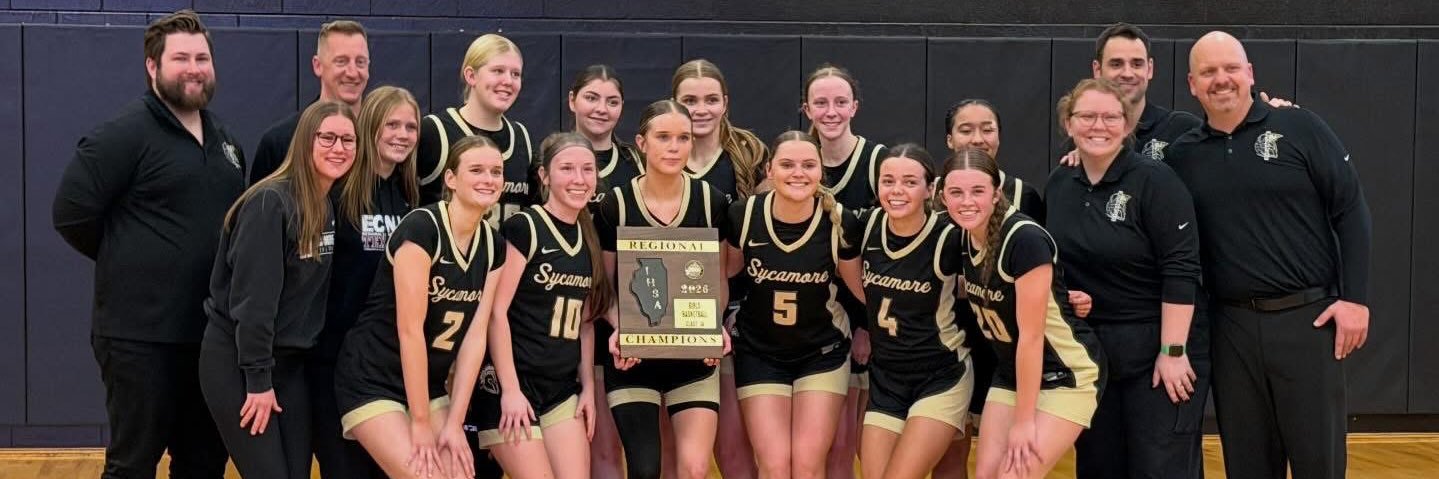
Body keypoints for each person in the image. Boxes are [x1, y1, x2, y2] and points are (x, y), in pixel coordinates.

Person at [1167, 31, 1371, 479]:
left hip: (1308, 321)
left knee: (1319, 462)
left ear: (1250, 73)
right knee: (1247, 464)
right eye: (1208, 72)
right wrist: (1079, 155)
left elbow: (1351, 209)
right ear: (1192, 84)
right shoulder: (1182, 156)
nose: (1221, 79)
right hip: (1231, 328)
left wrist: (1355, 299)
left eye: (1230, 68)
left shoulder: (1300, 128)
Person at [51, 10, 239, 479]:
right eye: (181, 58)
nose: (194, 68)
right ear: (152, 66)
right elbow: (70, 214)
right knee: (133, 465)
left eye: (202, 58)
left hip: (208, 336)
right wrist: (132, 257)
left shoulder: (226, 142)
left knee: (204, 463)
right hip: (139, 339)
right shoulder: (124, 134)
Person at [1044, 79, 1204, 478]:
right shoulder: (1060, 183)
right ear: (1069, 123)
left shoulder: (1156, 181)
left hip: (1155, 349)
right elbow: (1053, 262)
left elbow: (1181, 267)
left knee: (1159, 469)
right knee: (1099, 466)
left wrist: (1172, 351)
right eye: (1087, 116)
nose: (1099, 126)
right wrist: (1067, 297)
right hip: (1092, 352)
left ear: (1127, 124)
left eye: (1110, 117)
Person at [198, 101, 357, 478]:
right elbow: (254, 304)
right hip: (240, 361)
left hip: (289, 364)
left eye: (348, 140)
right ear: (304, 142)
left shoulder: (324, 204)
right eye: (327, 138)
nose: (339, 148)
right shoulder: (270, 202)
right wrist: (257, 380)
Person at [334, 134, 507, 479]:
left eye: (496, 172)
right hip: (373, 377)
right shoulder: (422, 228)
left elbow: (475, 336)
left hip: (429, 385)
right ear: (451, 179)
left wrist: (455, 422)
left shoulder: (493, 245)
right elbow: (410, 330)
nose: (488, 179)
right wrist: (421, 422)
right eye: (476, 170)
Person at [938, 147, 1104, 479]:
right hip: (1012, 371)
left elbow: (1032, 337)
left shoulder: (1024, 240)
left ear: (996, 193)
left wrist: (1024, 422)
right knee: (987, 475)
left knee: (1014, 475)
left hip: (1064, 374)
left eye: (977, 191)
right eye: (956, 192)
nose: (967, 201)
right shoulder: (963, 236)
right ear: (943, 197)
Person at [596, 99, 732, 479]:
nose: (674, 147)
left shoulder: (711, 201)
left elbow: (718, 278)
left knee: (695, 468)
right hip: (633, 358)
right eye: (663, 137)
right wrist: (622, 328)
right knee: (644, 469)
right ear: (642, 143)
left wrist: (713, 325)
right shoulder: (615, 204)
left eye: (683, 138)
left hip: (692, 357)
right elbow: (605, 286)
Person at [466, 132, 614, 479]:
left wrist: (587, 388)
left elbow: (585, 322)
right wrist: (510, 390)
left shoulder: (588, 235)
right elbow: (495, 313)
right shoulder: (525, 227)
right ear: (544, 176)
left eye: (587, 169)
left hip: (561, 388)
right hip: (512, 382)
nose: (579, 179)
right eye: (567, 168)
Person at [726, 130, 865, 479]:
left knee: (806, 465)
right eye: (787, 165)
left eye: (808, 165)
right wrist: (714, 320)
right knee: (774, 466)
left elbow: (863, 291)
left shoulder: (840, 222)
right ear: (770, 170)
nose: (798, 173)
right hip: (759, 351)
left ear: (821, 171)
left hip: (822, 352)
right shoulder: (743, 215)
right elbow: (722, 276)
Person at [313, 86, 424, 478]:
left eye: (410, 126)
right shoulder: (338, 190)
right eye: (392, 124)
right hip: (332, 360)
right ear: (371, 126)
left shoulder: (410, 197)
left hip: (384, 362)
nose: (402, 134)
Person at [933, 99, 1041, 479]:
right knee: (950, 455)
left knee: (1006, 459)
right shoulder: (933, 198)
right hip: (952, 339)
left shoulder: (1025, 196)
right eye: (966, 130)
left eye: (987, 129)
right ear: (949, 139)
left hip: (1006, 345)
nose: (977, 138)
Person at [672, 58, 767, 479]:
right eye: (689, 100)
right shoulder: (661, 154)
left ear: (725, 102)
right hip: (668, 312)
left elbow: (757, 238)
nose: (701, 109)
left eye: (711, 99)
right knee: (674, 451)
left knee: (732, 449)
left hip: (733, 310)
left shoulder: (749, 156)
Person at [856, 144, 974, 479]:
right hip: (886, 378)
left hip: (940, 374)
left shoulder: (950, 236)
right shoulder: (865, 225)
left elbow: (998, 278)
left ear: (930, 189)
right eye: (888, 181)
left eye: (909, 182)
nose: (897, 190)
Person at [801, 65, 888, 479]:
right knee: (828, 445)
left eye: (840, 102)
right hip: (814, 319)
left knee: (858, 445)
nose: (831, 111)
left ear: (855, 107)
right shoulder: (797, 160)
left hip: (867, 316)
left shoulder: (878, 162)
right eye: (821, 103)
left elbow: (889, 253)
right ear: (807, 109)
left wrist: (867, 325)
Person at [566, 64, 644, 479]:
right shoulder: (552, 155)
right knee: (589, 441)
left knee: (619, 444)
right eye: (592, 98)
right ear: (572, 101)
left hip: (625, 312)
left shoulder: (636, 164)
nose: (601, 108)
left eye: (612, 101)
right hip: (569, 309)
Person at [418, 33, 536, 213]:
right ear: (471, 75)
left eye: (515, 74)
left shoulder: (522, 137)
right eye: (498, 71)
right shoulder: (434, 130)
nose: (508, 81)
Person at [250, 20, 369, 183]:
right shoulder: (280, 142)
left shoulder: (383, 139)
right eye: (341, 61)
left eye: (360, 62)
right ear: (318, 66)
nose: (352, 72)